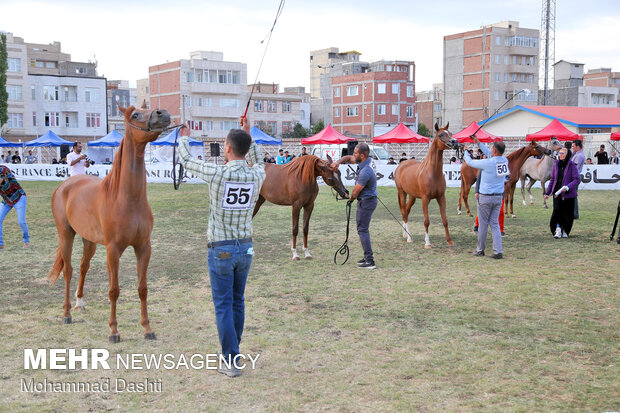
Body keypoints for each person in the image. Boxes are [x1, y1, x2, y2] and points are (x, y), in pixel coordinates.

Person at [177, 116, 266, 378]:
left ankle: (231, 359)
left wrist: (184, 137)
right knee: (237, 301)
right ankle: (232, 350)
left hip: (221, 248)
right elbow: (260, 162)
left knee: (224, 304)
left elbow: (187, 161)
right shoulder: (257, 174)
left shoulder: (218, 173)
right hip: (246, 248)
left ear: (227, 148)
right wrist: (250, 135)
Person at [463, 135, 508, 259]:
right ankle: (498, 251)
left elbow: (470, 162)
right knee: (495, 224)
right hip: (498, 197)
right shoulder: (504, 160)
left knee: (483, 225)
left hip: (485, 197)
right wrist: (478, 142)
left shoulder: (488, 162)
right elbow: (490, 153)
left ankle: (480, 250)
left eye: (492, 148)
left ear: (494, 150)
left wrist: (466, 152)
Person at [347, 143, 378, 269]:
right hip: (368, 200)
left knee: (362, 230)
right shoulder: (366, 164)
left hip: (366, 201)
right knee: (362, 229)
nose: (353, 155)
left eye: (355, 153)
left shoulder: (365, 171)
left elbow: (356, 191)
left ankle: (369, 261)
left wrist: (351, 199)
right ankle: (367, 257)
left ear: (362, 155)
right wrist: (338, 162)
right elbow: (349, 158)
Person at [545, 147, 580, 238]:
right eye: (559, 153)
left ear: (567, 155)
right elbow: (552, 179)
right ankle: (558, 229)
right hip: (557, 193)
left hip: (568, 194)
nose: (560, 155)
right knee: (557, 211)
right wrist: (547, 192)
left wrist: (568, 187)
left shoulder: (572, 165)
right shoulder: (556, 165)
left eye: (562, 153)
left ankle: (565, 230)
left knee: (567, 213)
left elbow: (576, 179)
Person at [0, 165, 30, 249]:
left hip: (19, 196)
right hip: (7, 199)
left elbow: (1, 180)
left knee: (21, 221)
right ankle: (0, 243)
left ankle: (26, 241)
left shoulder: (3, 169)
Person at [571, 140, 585, 219]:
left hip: (574, 177)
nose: (572, 148)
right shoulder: (577, 154)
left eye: (573, 146)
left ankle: (575, 214)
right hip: (575, 176)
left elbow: (575, 168)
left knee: (573, 196)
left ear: (577, 146)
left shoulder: (579, 156)